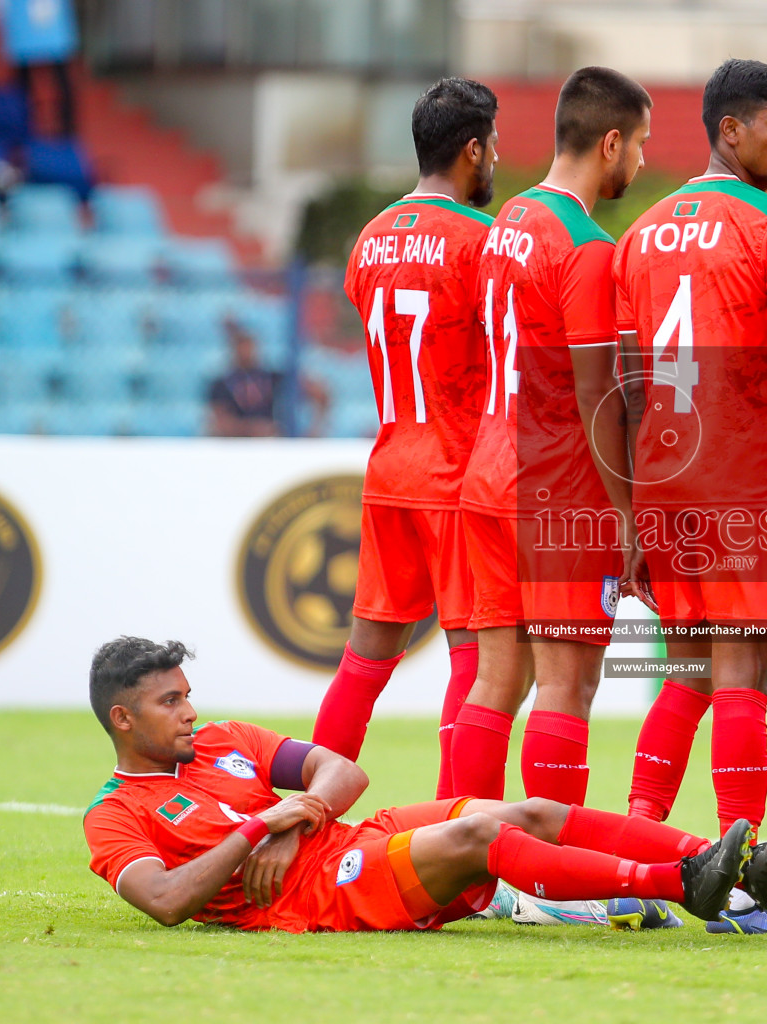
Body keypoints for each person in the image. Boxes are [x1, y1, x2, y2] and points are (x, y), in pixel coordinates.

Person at [82, 636, 767, 932]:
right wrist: (259, 828)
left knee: (533, 808)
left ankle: (732, 865)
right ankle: (682, 882)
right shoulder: (114, 815)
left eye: (186, 695)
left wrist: (302, 815)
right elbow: (168, 900)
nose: (189, 712)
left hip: (344, 838)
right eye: (169, 703)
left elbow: (342, 770)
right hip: (325, 894)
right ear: (123, 718)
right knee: (484, 834)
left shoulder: (222, 741)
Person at [611, 59, 767, 935]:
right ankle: (740, 893)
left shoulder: (642, 229)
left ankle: (631, 875)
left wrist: (628, 510)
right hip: (738, 469)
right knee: (743, 677)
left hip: (663, 478)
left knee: (689, 670)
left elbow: (625, 386)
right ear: (729, 131)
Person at [446, 67, 651, 926]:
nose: (643, 159)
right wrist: (632, 517)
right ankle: (550, 882)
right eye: (640, 143)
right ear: (611, 142)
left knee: (497, 682)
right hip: (558, 486)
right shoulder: (586, 247)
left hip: (488, 472)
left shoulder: (507, 223)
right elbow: (599, 396)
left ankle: (457, 871)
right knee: (568, 685)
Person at [311, 78, 498, 805]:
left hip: (392, 461)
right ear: (473, 150)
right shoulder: (481, 242)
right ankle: (457, 837)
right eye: (493, 148)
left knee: (365, 657)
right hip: (458, 469)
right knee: (477, 663)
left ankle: (300, 820)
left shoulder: (370, 240)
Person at [205, 320, 327, 437]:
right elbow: (219, 422)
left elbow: (318, 394)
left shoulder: (271, 377)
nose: (246, 351)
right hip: (234, 444)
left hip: (269, 442)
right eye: (241, 346)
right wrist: (252, 430)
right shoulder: (221, 383)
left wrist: (314, 430)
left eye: (249, 345)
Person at [0, 0, 80, 137]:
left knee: (61, 77)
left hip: (51, 17)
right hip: (20, 18)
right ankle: (23, 126)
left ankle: (67, 130)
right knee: (23, 80)